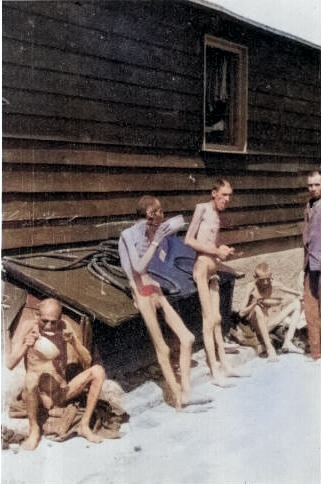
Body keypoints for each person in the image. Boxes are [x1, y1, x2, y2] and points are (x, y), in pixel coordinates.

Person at [118, 195, 195, 409]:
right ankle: (178, 398)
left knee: (187, 338)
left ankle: (187, 390)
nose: (163, 214)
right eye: (160, 211)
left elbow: (160, 265)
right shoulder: (128, 235)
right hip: (141, 294)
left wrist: (162, 240)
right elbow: (139, 267)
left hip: (156, 289)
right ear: (151, 212)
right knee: (163, 347)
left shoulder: (152, 233)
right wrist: (154, 241)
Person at [6, 298, 106, 450]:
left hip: (61, 392)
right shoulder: (28, 327)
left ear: (60, 318)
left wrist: (74, 342)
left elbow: (87, 361)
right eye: (44, 321)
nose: (49, 326)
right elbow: (10, 363)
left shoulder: (65, 327)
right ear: (37, 316)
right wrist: (26, 345)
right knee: (31, 378)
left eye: (54, 322)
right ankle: (34, 430)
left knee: (98, 371)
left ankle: (84, 426)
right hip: (40, 396)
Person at [185, 179, 249, 386]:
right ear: (214, 193)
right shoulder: (201, 209)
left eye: (230, 195)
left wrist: (223, 252)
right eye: (225, 195)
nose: (228, 199)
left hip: (213, 267)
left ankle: (225, 365)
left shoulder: (217, 216)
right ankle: (214, 371)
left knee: (219, 318)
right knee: (209, 319)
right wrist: (215, 251)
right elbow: (189, 240)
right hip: (202, 268)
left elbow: (211, 243)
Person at [239, 262, 304, 361]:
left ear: (271, 276)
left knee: (296, 303)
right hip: (256, 328)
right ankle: (270, 349)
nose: (265, 282)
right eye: (262, 280)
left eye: (267, 279)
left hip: (269, 325)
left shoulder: (273, 284)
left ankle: (288, 342)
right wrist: (254, 304)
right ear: (255, 277)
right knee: (257, 309)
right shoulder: (251, 287)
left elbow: (294, 292)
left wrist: (302, 295)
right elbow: (241, 313)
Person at [303, 170, 321, 360]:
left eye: (317, 184)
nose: (313, 189)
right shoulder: (308, 205)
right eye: (310, 185)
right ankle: (316, 352)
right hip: (310, 265)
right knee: (311, 308)